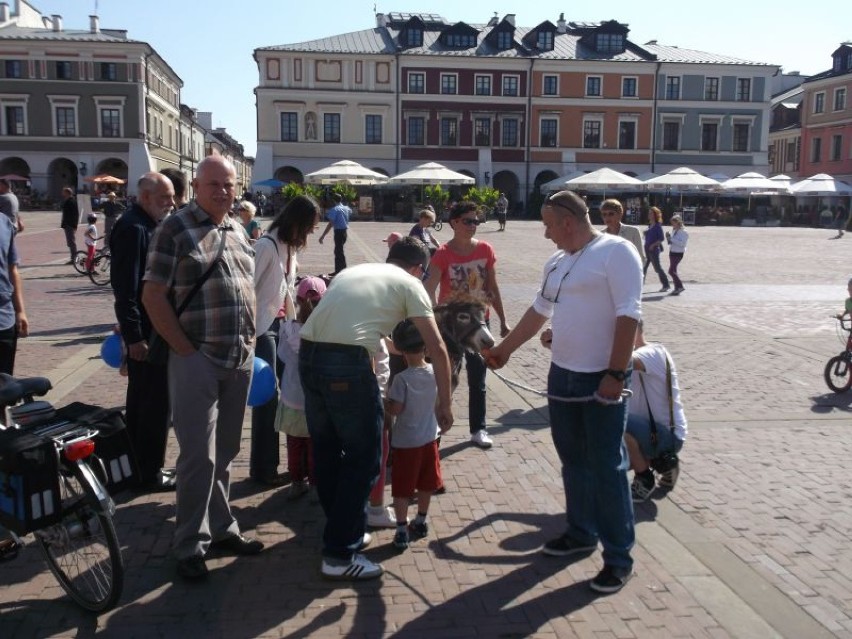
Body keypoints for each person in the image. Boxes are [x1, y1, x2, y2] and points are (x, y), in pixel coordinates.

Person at [486, 190, 642, 594]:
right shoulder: (557, 261)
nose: (545, 234)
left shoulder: (617, 252)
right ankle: (580, 533)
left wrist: (616, 372)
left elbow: (629, 314)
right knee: (573, 461)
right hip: (563, 377)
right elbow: (539, 312)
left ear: (568, 222)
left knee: (608, 467)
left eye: (548, 225)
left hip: (600, 379)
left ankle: (619, 557)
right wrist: (504, 350)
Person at [299, 236, 454, 581]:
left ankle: (344, 530)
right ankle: (339, 554)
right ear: (418, 269)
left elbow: (371, 328)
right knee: (365, 456)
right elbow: (438, 347)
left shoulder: (356, 271)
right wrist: (445, 403)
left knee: (325, 450)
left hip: (308, 354)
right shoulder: (412, 285)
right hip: (346, 363)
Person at [142, 154, 261, 582]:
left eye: (229, 185)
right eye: (214, 184)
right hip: (198, 356)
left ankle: (223, 527)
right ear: (196, 186)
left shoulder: (237, 228)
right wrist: (184, 350)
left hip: (238, 356)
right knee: (197, 457)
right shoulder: (173, 228)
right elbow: (153, 295)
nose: (223, 192)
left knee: (226, 452)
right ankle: (189, 543)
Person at [424, 201, 510, 449]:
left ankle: (478, 429)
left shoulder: (485, 249)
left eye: (476, 221)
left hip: (480, 322)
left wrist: (503, 320)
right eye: (468, 221)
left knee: (478, 377)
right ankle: (435, 427)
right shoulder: (442, 253)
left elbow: (492, 287)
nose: (473, 225)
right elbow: (429, 290)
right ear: (454, 223)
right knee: (445, 376)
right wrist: (432, 321)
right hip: (452, 327)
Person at [110, 173, 176, 492]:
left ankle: (139, 467)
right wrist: (134, 336)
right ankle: (149, 471)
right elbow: (127, 288)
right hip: (147, 333)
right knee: (153, 404)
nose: (171, 203)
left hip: (150, 329)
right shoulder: (134, 227)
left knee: (144, 402)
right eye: (165, 197)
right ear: (146, 197)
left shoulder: (146, 224)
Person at [250, 194, 320, 486]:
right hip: (262, 327)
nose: (312, 232)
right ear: (297, 222)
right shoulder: (266, 246)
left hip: (284, 325)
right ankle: (263, 468)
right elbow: (247, 288)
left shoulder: (290, 247)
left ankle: (297, 467)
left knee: (293, 394)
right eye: (310, 226)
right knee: (267, 398)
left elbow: (288, 291)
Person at [386, 319, 444, 551]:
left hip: (406, 442)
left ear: (400, 349)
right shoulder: (434, 372)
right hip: (430, 437)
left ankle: (401, 528)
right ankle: (421, 519)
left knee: (402, 487)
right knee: (426, 483)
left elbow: (396, 409)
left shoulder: (401, 379)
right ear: (426, 347)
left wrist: (386, 403)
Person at [275, 276, 327, 499]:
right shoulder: (324, 331)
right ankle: (316, 485)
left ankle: (297, 482)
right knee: (316, 445)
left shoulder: (287, 329)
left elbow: (282, 356)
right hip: (316, 398)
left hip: (291, 396)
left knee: (295, 444)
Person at [624, 320, 687, 502]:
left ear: (634, 328)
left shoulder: (652, 353)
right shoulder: (635, 354)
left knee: (616, 422)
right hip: (648, 432)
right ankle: (663, 464)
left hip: (668, 435)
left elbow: (622, 362)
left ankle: (645, 478)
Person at [317, 194, 350, 274]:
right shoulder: (346, 208)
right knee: (339, 251)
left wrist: (323, 236)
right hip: (344, 232)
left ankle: (340, 271)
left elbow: (330, 224)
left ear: (333, 200)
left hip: (338, 232)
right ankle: (341, 269)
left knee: (338, 251)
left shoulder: (334, 209)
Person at [643, 207, 669, 292]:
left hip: (653, 251)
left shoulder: (658, 226)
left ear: (655, 215)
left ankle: (666, 285)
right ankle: (640, 285)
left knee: (657, 268)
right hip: (646, 249)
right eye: (649, 213)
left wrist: (653, 245)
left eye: (651, 213)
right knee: (643, 267)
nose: (649, 215)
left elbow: (661, 238)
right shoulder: (650, 225)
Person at [666, 214, 689, 295]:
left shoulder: (684, 232)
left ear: (678, 222)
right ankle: (677, 288)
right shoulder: (674, 230)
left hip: (678, 253)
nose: (672, 225)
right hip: (672, 252)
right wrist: (668, 238)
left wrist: (672, 239)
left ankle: (680, 286)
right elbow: (671, 242)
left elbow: (682, 244)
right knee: (674, 270)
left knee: (671, 271)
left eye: (673, 223)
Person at [60, 187, 79, 264]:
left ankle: (74, 258)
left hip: (70, 224)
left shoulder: (72, 201)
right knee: (70, 242)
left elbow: (75, 214)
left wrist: (75, 225)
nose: (62, 193)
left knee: (71, 241)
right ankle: (73, 257)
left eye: (64, 192)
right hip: (67, 224)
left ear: (67, 193)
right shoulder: (67, 200)